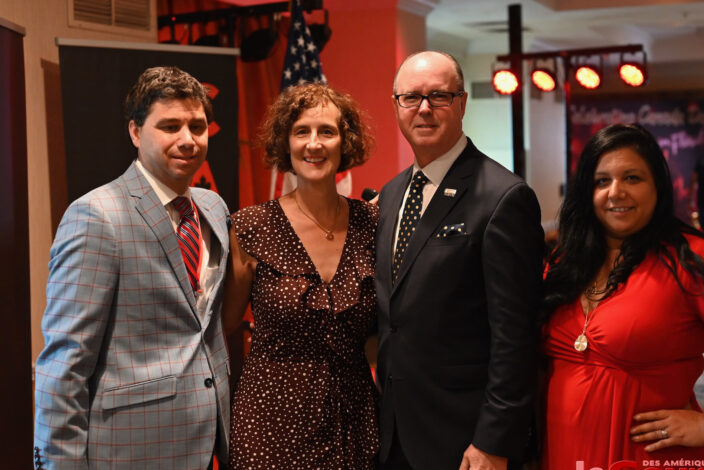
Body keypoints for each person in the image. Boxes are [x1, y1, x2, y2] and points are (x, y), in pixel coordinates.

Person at [542, 123, 704, 469]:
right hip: (562, 452)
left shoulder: (693, 259)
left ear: (658, 186)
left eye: (632, 178)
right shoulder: (565, 261)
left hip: (650, 457)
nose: (615, 192)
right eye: (602, 181)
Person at [33, 66, 231, 468]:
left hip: (207, 442)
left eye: (197, 126)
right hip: (130, 450)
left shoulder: (213, 207)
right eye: (170, 126)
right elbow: (65, 365)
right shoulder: (95, 216)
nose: (187, 139)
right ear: (136, 133)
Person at [375, 51, 545, 470]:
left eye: (439, 96)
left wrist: (493, 440)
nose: (424, 109)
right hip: (395, 431)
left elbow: (516, 336)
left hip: (466, 438)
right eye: (411, 97)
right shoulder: (391, 195)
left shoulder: (503, 197)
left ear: (463, 103)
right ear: (396, 105)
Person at [222, 83, 379, 469]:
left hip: (356, 418)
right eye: (302, 131)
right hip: (270, 424)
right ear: (285, 143)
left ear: (346, 142)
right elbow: (224, 326)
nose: (315, 144)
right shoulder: (251, 227)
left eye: (327, 131)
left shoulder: (372, 223)